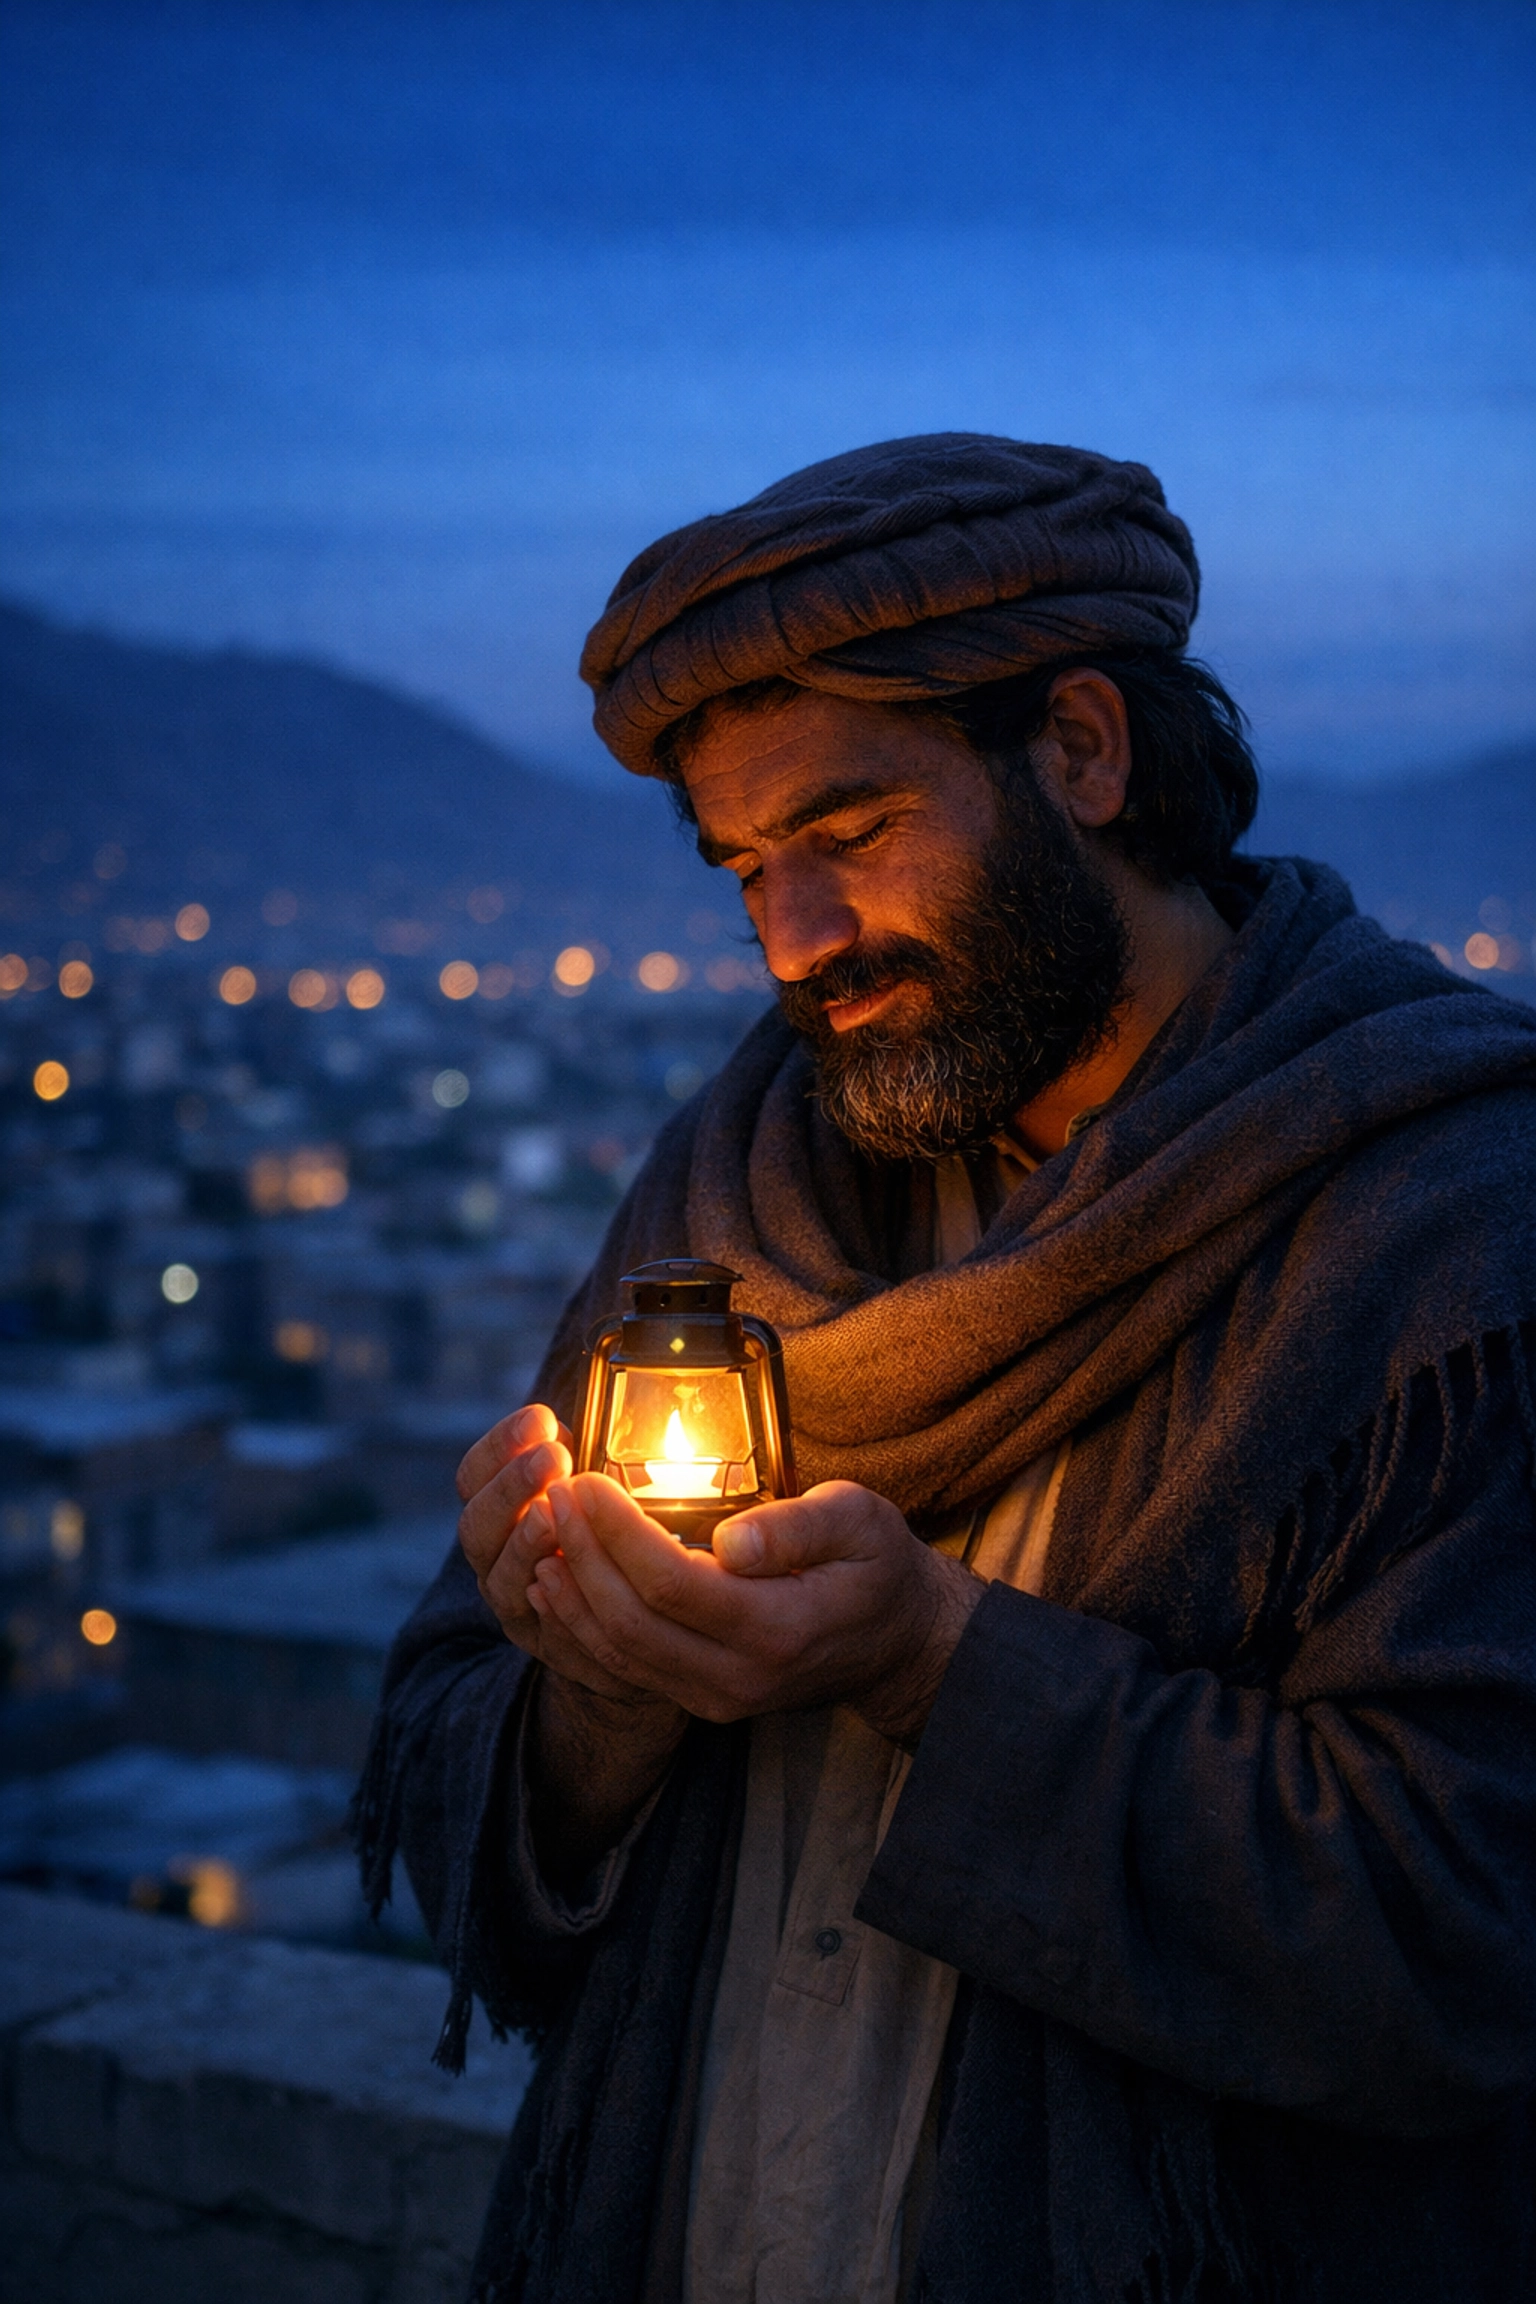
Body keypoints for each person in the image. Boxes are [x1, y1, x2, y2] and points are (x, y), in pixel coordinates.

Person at [357, 435, 1536, 2304]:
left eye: (847, 834)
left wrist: (929, 1665)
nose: (794, 945)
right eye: (747, 869)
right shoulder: (725, 1195)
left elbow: (1465, 1939)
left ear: (1081, 750)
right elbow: (445, 1756)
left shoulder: (1443, 1227)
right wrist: (609, 1682)